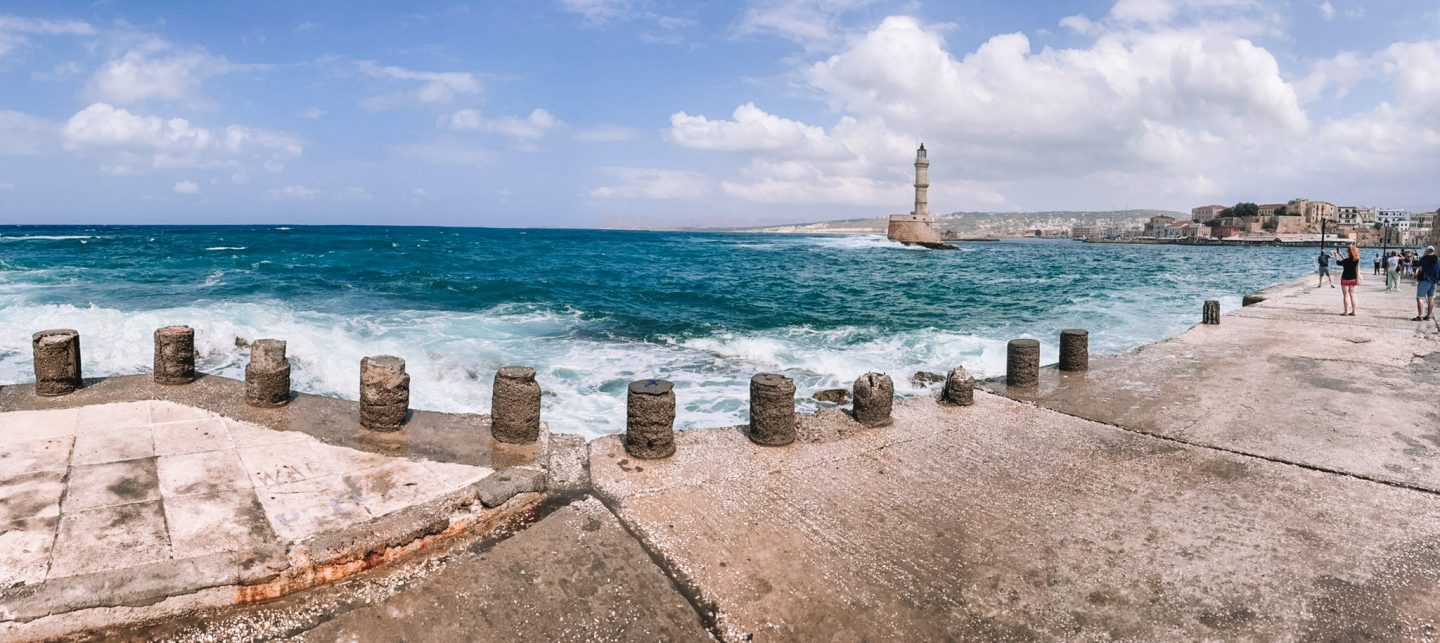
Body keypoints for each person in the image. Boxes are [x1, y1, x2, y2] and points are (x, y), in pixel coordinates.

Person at [1415, 245, 1438, 321]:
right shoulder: (1438, 260)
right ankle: (1428, 316)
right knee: (1431, 298)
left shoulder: (1423, 259)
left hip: (1425, 280)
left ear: (1426, 251)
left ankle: (1420, 316)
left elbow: (1417, 266)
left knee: (1420, 298)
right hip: (1434, 282)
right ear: (1433, 251)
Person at [1337, 244, 1361, 315]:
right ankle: (1354, 312)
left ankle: (1346, 312)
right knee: (1352, 295)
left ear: (1348, 252)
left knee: (1345, 296)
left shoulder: (1345, 261)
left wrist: (1336, 256)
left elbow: (1338, 263)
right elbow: (1348, 260)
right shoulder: (1356, 260)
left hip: (1345, 279)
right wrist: (1341, 254)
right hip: (1353, 279)